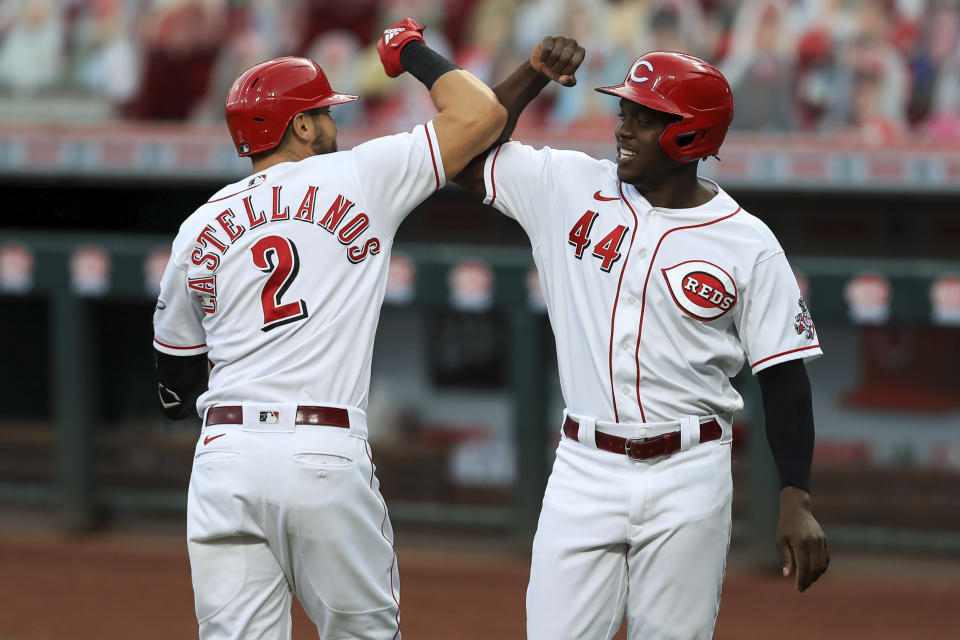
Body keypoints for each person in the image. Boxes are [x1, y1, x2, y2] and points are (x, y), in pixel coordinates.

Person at [456, 39, 830, 639]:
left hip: (689, 472)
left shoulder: (748, 243)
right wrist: (532, 75)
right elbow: (460, 156)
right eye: (625, 111)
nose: (623, 127)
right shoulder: (569, 185)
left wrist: (796, 496)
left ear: (692, 136)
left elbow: (784, 379)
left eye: (644, 116)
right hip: (583, 465)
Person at [151, 18, 506, 640]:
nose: (333, 123)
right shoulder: (360, 176)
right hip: (322, 449)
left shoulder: (199, 226)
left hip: (224, 458)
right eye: (323, 111)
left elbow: (175, 382)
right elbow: (482, 112)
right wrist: (408, 53)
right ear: (302, 125)